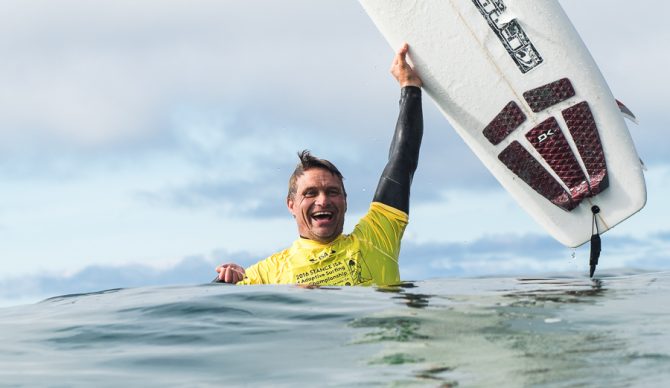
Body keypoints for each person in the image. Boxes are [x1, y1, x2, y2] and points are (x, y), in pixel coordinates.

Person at [215, 43, 423, 286]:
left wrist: (410, 87)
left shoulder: (376, 237)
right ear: (291, 205)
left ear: (345, 201)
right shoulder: (267, 274)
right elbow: (207, 310)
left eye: (332, 192)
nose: (323, 201)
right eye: (310, 193)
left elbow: (402, 161)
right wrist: (225, 282)